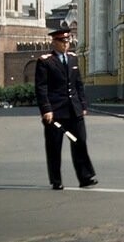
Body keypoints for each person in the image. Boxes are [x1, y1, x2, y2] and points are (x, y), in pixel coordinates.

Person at [35, 28, 98, 190]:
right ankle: (56, 180)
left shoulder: (73, 59)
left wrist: (83, 105)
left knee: (80, 141)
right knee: (54, 146)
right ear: (54, 42)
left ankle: (85, 177)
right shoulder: (45, 61)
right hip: (55, 113)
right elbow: (41, 88)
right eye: (62, 42)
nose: (66, 44)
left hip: (74, 110)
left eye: (68, 41)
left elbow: (78, 84)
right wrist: (46, 110)